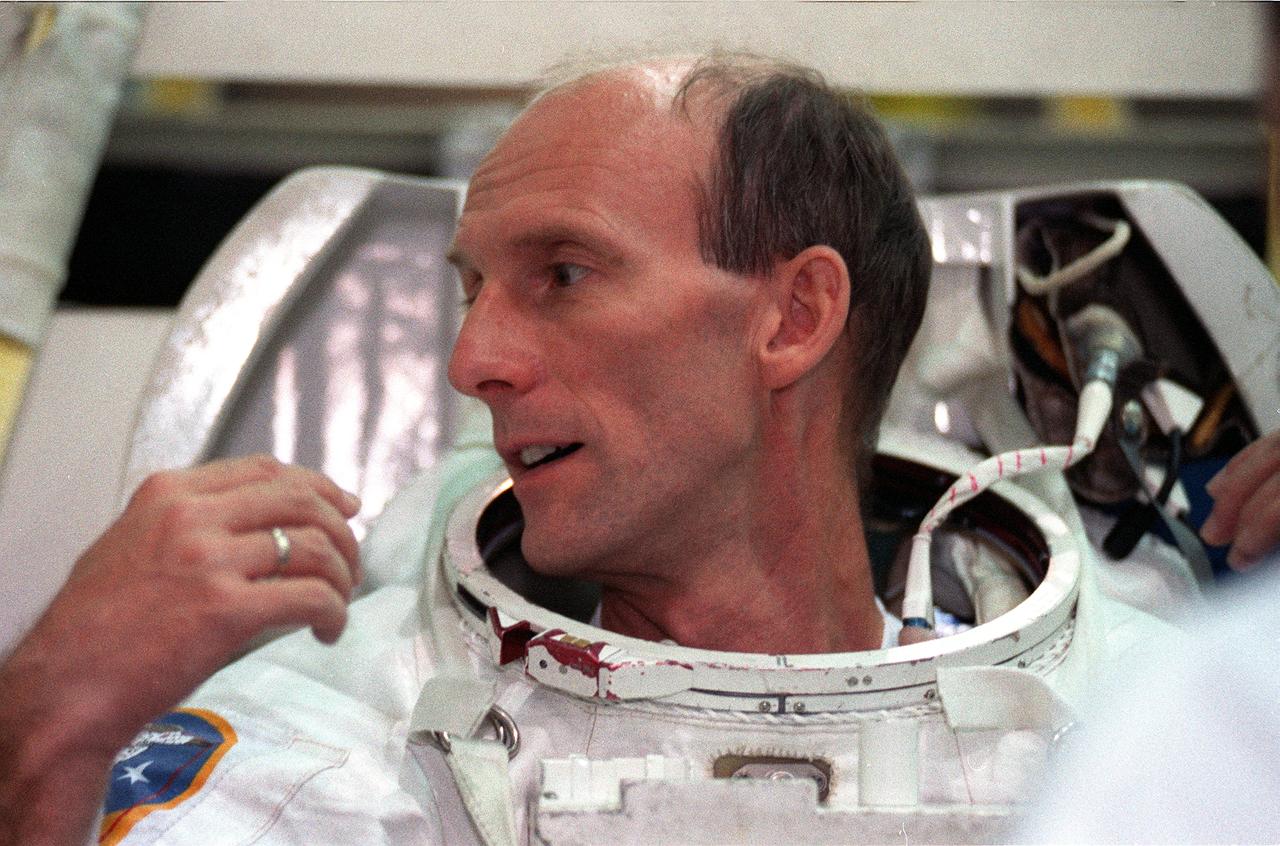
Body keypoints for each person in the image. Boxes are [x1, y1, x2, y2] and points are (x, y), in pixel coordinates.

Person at [0, 52, 1275, 845]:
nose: (472, 362)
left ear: (793, 316)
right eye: (471, 289)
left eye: (561, 273)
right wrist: (49, 720)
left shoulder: (1165, 722)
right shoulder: (344, 737)